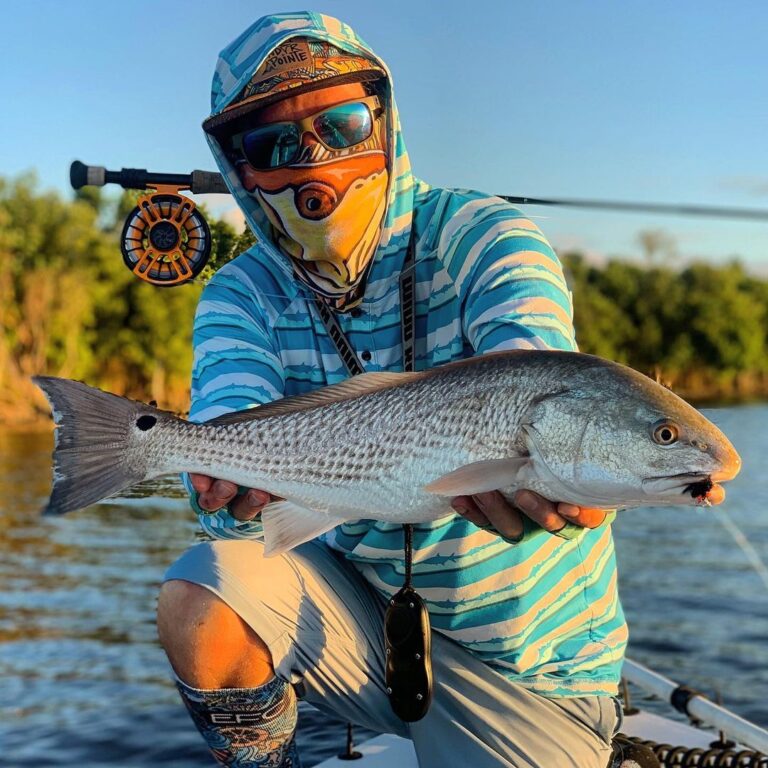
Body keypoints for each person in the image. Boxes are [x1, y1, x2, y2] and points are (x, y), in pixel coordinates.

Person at [157, 12, 627, 768]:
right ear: (241, 171)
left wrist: (554, 454)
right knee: (201, 593)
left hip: (529, 669)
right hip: (356, 623)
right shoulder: (239, 294)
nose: (314, 160)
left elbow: (533, 357)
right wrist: (217, 478)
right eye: (274, 145)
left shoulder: (486, 235)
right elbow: (230, 410)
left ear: (384, 121)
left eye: (340, 123)